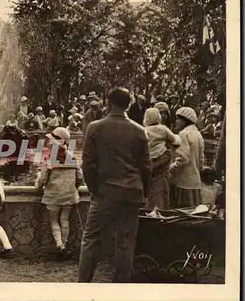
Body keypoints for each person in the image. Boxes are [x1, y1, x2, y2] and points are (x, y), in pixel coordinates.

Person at [78, 87, 152, 283]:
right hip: (132, 192)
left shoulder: (95, 127)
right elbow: (146, 167)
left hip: (105, 191)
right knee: (125, 242)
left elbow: (87, 163)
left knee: (91, 238)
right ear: (128, 105)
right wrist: (145, 193)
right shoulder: (139, 130)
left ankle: (83, 284)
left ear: (109, 103)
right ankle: (120, 288)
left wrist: (94, 189)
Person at [35, 127, 83, 258]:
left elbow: (43, 179)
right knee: (64, 219)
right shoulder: (73, 157)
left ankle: (59, 245)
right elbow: (80, 177)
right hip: (69, 194)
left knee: (54, 220)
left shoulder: (49, 158)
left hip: (53, 195)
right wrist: (74, 187)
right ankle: (65, 244)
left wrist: (38, 185)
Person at [143, 108, 181, 209]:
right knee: (162, 184)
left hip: (149, 160)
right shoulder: (163, 128)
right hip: (162, 157)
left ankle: (150, 207)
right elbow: (176, 140)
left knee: (151, 185)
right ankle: (162, 207)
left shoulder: (144, 130)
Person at [170, 107, 204, 208]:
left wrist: (171, 167)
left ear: (185, 120)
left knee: (181, 210)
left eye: (178, 119)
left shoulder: (183, 134)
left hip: (183, 181)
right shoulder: (198, 134)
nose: (177, 122)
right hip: (195, 180)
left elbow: (183, 158)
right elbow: (201, 158)